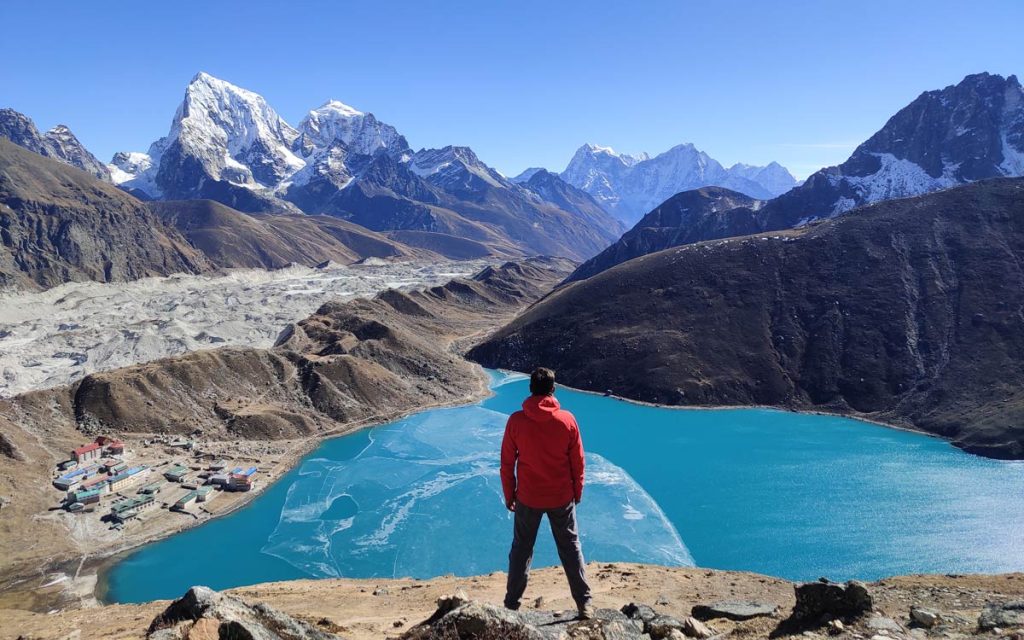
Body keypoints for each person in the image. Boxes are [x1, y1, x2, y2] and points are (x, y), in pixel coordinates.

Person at [501, 367, 593, 619]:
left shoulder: (516, 421)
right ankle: (584, 603)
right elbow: (578, 461)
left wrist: (510, 495)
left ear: (530, 389)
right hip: (561, 497)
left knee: (521, 549)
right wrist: (578, 490)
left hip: (527, 497)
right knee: (570, 547)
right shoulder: (567, 420)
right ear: (553, 389)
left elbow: (507, 463)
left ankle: (511, 605)